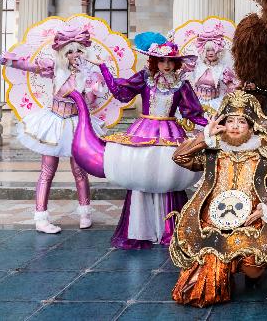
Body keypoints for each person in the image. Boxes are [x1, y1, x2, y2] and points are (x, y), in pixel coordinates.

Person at [168, 90, 267, 308]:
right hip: (213, 224)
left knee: (253, 269)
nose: (235, 126)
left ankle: (250, 270)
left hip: (251, 224)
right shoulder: (213, 154)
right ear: (223, 124)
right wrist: (206, 136)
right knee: (204, 271)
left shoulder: (263, 158)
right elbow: (180, 157)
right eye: (230, 121)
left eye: (242, 121)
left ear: (251, 127)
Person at [86, 32, 208, 249]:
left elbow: (193, 112)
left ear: (176, 63)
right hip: (144, 131)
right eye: (162, 60)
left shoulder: (182, 85)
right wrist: (103, 67)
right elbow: (121, 93)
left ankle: (170, 230)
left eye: (170, 61)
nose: (166, 65)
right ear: (154, 61)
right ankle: (139, 231)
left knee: (168, 177)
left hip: (170, 133)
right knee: (141, 177)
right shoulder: (144, 78)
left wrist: (212, 125)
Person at [0, 25, 106, 234]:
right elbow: (27, 66)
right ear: (63, 54)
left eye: (79, 50)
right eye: (70, 51)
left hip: (77, 124)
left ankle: (85, 213)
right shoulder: (55, 68)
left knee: (79, 171)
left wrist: (91, 84)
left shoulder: (90, 75)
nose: (75, 55)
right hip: (54, 123)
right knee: (47, 171)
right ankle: (41, 218)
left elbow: (91, 102)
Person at [182, 24, 239, 116]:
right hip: (196, 102)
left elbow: (231, 86)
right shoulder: (197, 65)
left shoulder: (223, 68)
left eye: (213, 50)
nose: (211, 53)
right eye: (208, 50)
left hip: (215, 103)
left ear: (218, 52)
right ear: (204, 51)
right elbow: (182, 71)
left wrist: (237, 92)